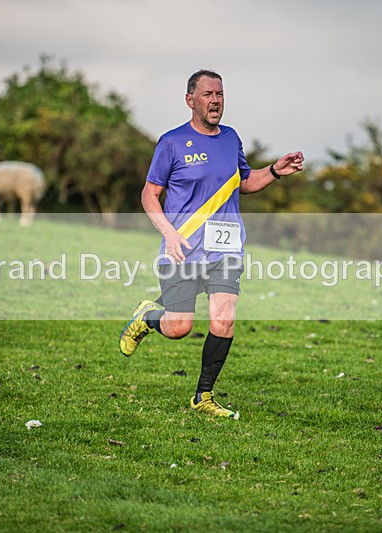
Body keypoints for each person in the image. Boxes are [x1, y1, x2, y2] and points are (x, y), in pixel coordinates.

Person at [119, 69, 304, 418]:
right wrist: (169, 233)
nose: (216, 100)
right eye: (207, 94)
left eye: (220, 93)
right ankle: (148, 317)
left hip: (226, 248)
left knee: (224, 321)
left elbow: (244, 183)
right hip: (184, 248)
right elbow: (149, 195)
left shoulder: (231, 138)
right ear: (191, 101)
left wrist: (276, 171)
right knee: (179, 327)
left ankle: (203, 397)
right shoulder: (171, 143)